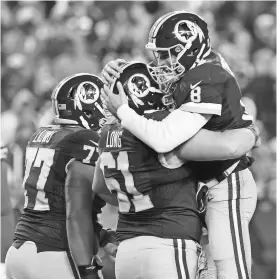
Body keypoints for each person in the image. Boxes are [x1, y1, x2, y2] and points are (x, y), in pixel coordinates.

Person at [101, 11, 259, 279]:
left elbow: (165, 138)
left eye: (167, 53)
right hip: (203, 184)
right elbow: (151, 96)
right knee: (210, 271)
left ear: (190, 45)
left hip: (226, 181)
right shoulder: (196, 70)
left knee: (228, 269)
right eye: (159, 54)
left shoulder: (206, 74)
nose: (160, 62)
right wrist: (123, 70)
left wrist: (124, 112)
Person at [4, 73, 110, 279]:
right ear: (88, 107)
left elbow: (57, 200)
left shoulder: (41, 135)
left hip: (19, 249)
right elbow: (75, 212)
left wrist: (103, 236)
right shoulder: (83, 138)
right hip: (55, 252)